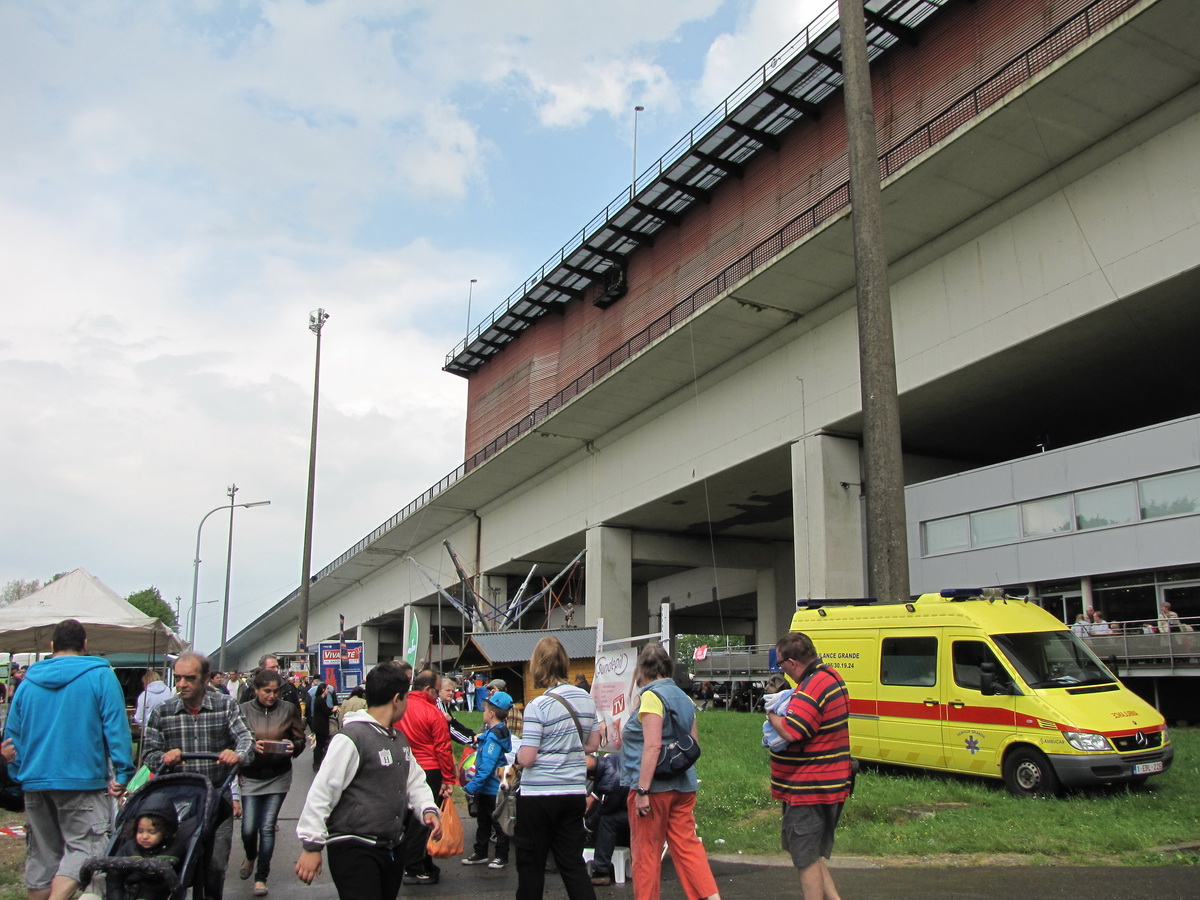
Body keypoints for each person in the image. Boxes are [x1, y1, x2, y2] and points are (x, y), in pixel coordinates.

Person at [5, 619, 135, 900]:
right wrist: (124, 772)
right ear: (85, 645)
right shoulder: (101, 676)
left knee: (42, 856)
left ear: (51, 646)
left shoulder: (27, 684)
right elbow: (116, 728)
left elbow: (12, 736)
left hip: (35, 781)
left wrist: (16, 774)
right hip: (82, 780)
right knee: (85, 850)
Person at [295, 661, 442, 900]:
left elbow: (414, 780)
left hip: (391, 846)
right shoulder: (351, 738)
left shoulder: (399, 739)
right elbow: (323, 791)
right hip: (354, 847)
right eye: (406, 698)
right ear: (397, 699)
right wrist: (312, 845)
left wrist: (427, 809)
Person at [142, 652, 255, 900]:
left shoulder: (226, 706)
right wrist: (163, 758)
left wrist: (237, 754)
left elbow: (246, 739)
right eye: (178, 678)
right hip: (176, 802)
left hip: (217, 796)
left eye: (189, 678)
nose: (182, 684)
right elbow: (149, 753)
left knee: (215, 864)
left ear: (205, 679)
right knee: (173, 862)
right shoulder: (162, 711)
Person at [622, 643, 720, 900]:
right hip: (683, 785)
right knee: (688, 847)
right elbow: (693, 743)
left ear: (643, 670)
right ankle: (710, 897)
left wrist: (642, 790)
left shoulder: (651, 697)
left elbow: (653, 746)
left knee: (646, 853)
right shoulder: (684, 697)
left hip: (654, 789)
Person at [766, 631, 852, 900]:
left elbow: (791, 731)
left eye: (780, 664)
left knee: (805, 857)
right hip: (827, 782)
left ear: (792, 663)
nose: (781, 670)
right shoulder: (831, 677)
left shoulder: (813, 686)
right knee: (811, 852)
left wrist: (770, 715)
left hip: (809, 788)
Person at [515, 636, 600, 900]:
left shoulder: (538, 705)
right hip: (573, 791)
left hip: (538, 796)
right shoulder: (587, 700)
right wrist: (568, 747)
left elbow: (528, 757)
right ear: (564, 663)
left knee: (531, 864)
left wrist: (517, 754)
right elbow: (593, 744)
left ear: (538, 666)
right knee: (572, 863)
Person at [238, 668, 306, 897]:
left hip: (278, 774)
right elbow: (235, 739)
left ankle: (261, 877)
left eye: (276, 691)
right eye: (267, 691)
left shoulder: (288, 709)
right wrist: (250, 746)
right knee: (248, 828)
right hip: (251, 774)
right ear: (256, 690)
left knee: (267, 827)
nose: (272, 695)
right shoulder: (243, 710)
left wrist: (293, 746)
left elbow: (299, 737)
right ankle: (250, 855)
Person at [397, 669, 458, 885]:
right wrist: (448, 778)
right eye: (437, 690)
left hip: (402, 766)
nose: (438, 695)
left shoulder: (399, 708)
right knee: (425, 819)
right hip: (429, 769)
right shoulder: (433, 712)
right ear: (428, 689)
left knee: (406, 817)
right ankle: (416, 867)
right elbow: (443, 748)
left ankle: (416, 862)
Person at [461, 690, 514, 868]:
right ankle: (481, 852)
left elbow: (487, 768)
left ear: (491, 714)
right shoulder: (494, 733)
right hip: (486, 788)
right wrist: (481, 737)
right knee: (483, 821)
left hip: (491, 788)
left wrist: (471, 787)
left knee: (496, 822)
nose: (483, 713)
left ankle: (501, 856)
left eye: (484, 710)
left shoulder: (493, 739)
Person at [584, 753, 628, 886]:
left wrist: (587, 826)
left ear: (591, 777)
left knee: (607, 821)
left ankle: (601, 871)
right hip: (639, 799)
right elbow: (606, 779)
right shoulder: (610, 759)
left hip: (644, 811)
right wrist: (594, 796)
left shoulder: (612, 783)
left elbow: (607, 809)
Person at [437, 676, 475, 748]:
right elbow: (449, 729)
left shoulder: (444, 704)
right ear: (439, 691)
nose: (451, 693)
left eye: (453, 691)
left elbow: (454, 723)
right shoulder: (438, 703)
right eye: (448, 690)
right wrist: (471, 739)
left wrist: (472, 735)